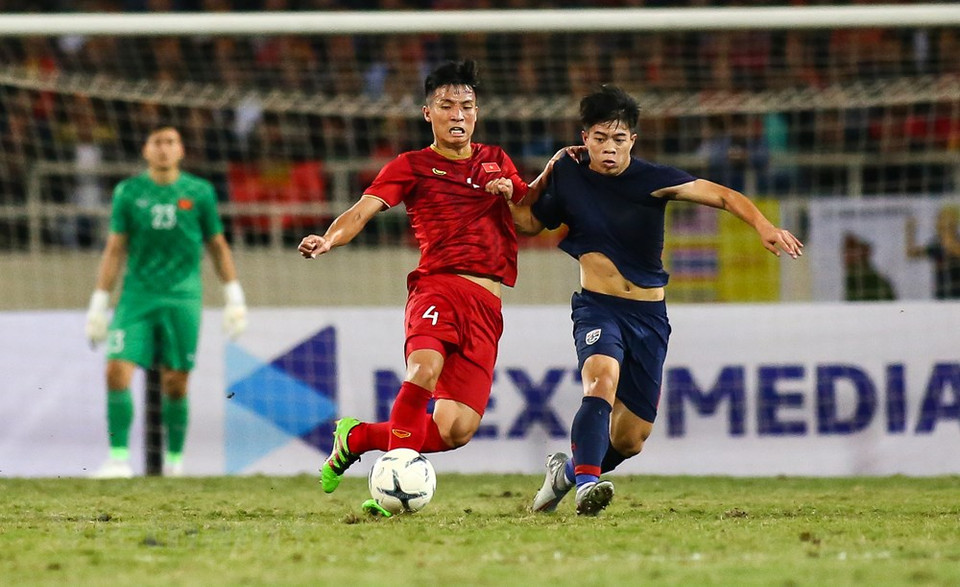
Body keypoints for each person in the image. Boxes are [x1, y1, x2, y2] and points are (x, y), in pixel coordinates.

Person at [508, 86, 803, 516]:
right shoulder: (568, 172)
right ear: (584, 137)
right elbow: (530, 223)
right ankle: (588, 486)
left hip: (648, 316)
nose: (609, 149)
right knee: (600, 380)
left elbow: (723, 195)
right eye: (600, 139)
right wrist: (509, 191)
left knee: (631, 439)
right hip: (597, 307)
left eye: (619, 139)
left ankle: (566, 474)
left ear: (633, 140)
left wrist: (764, 226)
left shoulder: (652, 179)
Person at [298, 60, 547, 501]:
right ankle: (391, 485)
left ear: (477, 113)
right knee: (424, 369)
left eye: (466, 106)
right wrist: (329, 239)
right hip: (438, 287)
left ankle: (356, 438)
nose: (457, 114)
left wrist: (512, 195)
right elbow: (362, 210)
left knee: (456, 430)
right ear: (427, 113)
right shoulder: (411, 165)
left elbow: (530, 225)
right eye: (446, 105)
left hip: (487, 305)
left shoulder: (496, 160)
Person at [85, 124, 248, 478]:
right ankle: (118, 459)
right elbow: (115, 248)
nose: (163, 148)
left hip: (182, 296)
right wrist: (99, 303)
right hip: (137, 296)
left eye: (170, 142)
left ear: (181, 150)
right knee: (116, 370)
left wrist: (234, 297)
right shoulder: (128, 192)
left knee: (176, 382)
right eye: (157, 142)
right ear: (146, 149)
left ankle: (174, 463)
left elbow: (217, 245)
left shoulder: (199, 192)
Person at [905, 207, 960, 299]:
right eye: (939, 220)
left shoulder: (956, 242)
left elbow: (954, 249)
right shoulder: (936, 244)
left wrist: (948, 240)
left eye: (944, 220)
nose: (940, 223)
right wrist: (910, 232)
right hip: (941, 296)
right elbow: (912, 253)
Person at [843, 232, 896, 301]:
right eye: (846, 250)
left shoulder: (876, 283)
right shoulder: (850, 279)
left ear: (865, 251)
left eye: (852, 249)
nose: (847, 255)